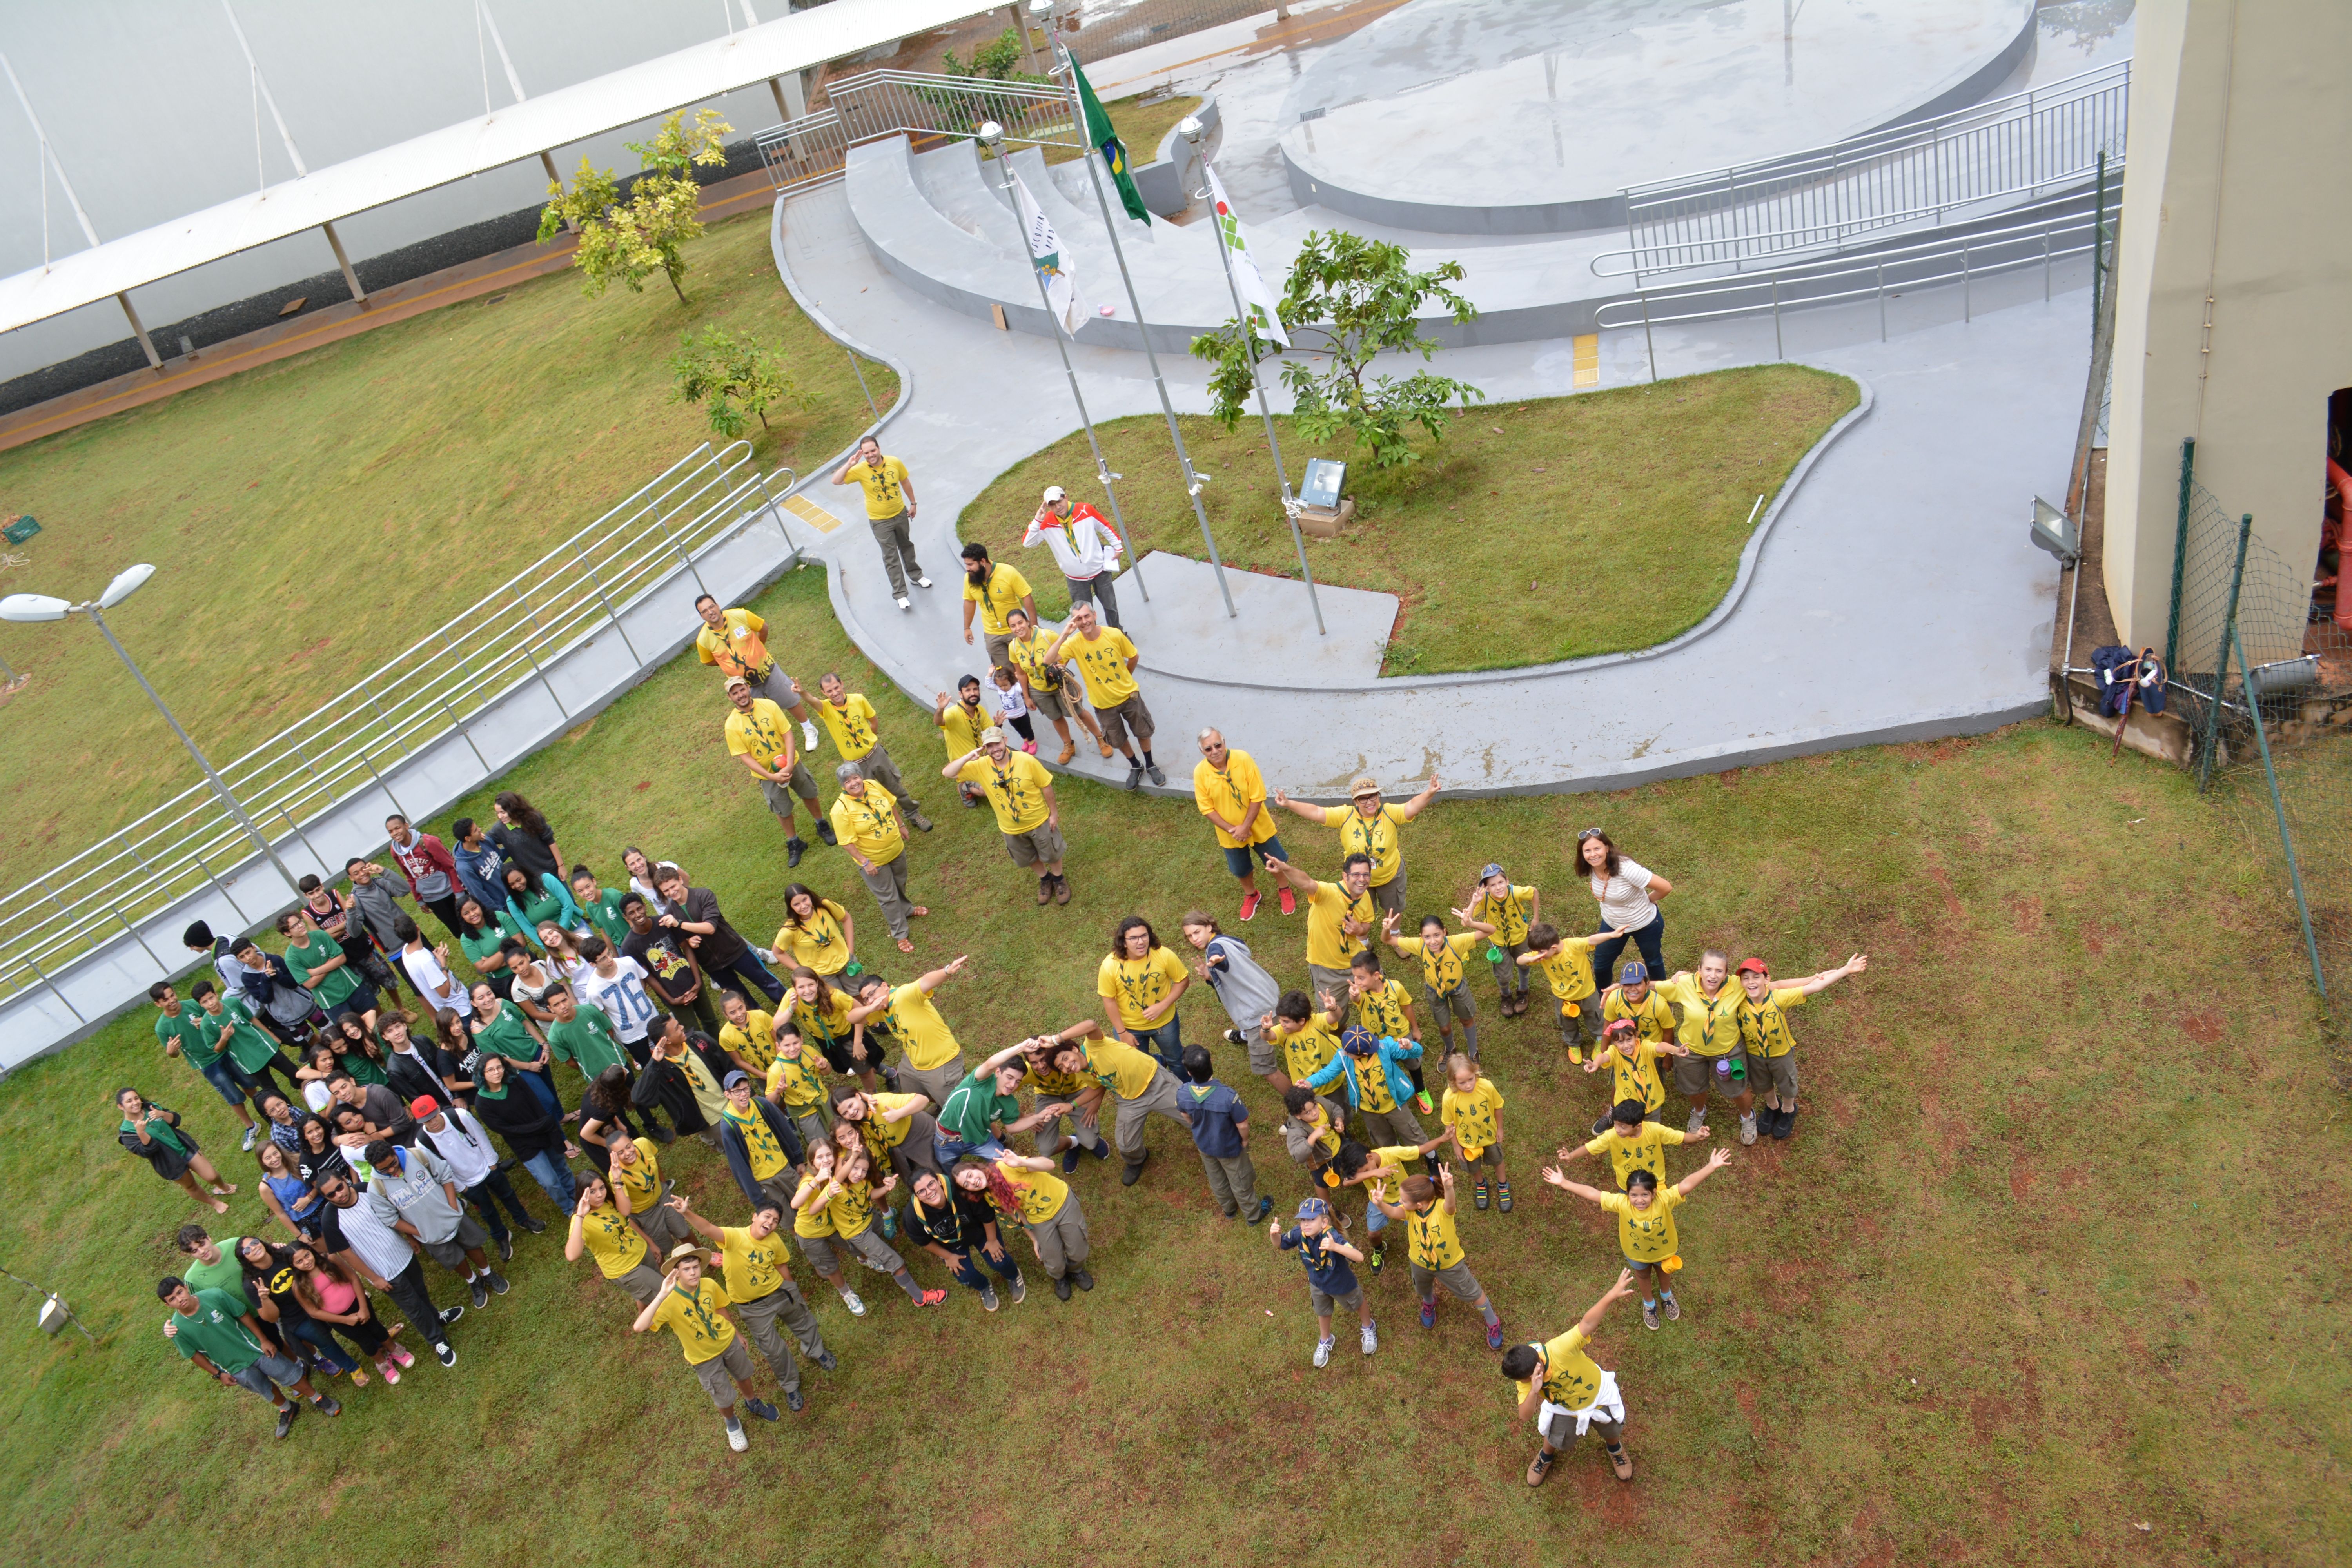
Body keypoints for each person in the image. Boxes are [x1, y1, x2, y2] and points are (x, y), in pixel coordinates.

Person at [671, 1196, 838, 1410]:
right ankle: (791, 1385)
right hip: (753, 1308)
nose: (771, 1223)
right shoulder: (735, 1237)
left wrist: (792, 1290)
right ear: (755, 1217)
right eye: (767, 1217)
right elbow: (707, 1229)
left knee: (804, 1323)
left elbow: (781, 1266)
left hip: (780, 1293)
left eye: (776, 1221)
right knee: (774, 1350)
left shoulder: (775, 1241)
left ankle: (816, 1351)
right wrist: (686, 1212)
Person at [1544, 1148, 1733, 1331]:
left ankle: (1666, 1295)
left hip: (1664, 1251)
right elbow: (1594, 1194)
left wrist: (1711, 1166)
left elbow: (1686, 1185)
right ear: (1627, 1194)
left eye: (1645, 1195)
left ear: (1654, 1193)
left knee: (1664, 1270)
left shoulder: (1665, 1199)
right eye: (1634, 1195)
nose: (1639, 1200)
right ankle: (1649, 1303)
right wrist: (1564, 1183)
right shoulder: (1621, 1203)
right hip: (1636, 1253)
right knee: (1642, 1275)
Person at [633, 1242, 784, 1451]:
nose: (693, 1273)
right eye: (686, 1269)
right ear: (677, 1273)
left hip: (728, 1341)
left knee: (744, 1374)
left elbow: (720, 1309)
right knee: (722, 1396)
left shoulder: (709, 1285)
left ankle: (753, 1402)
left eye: (696, 1267)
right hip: (704, 1358)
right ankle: (732, 1423)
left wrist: (737, 1333)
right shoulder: (669, 1301)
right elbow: (640, 1327)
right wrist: (662, 1294)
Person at [1504, 1272, 1641, 1488]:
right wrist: (1533, 1391)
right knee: (1556, 1437)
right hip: (1565, 1408)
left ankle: (1615, 1449)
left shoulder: (1560, 1349)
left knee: (1611, 1429)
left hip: (1599, 1396)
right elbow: (1525, 1415)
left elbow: (1587, 1323)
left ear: (1538, 1362)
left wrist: (1612, 1295)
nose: (1524, 1384)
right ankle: (1545, 1457)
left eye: (1526, 1381)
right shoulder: (1525, 1379)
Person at [158, 1277, 340, 1437]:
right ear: (168, 1305)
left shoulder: (214, 1296)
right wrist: (218, 1374)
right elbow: (194, 1355)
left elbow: (242, 1314)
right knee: (263, 1388)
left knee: (288, 1374)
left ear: (186, 1288)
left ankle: (317, 1398)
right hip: (233, 1367)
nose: (180, 1299)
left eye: (180, 1292)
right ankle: (287, 1408)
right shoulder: (177, 1329)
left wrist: (263, 1340)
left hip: (255, 1349)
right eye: (172, 1299)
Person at [316, 1171, 463, 1368]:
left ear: (345, 1180)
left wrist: (410, 1236)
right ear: (326, 1198)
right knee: (413, 1308)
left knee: (421, 1292)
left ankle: (436, 1317)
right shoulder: (330, 1220)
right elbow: (347, 1255)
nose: (339, 1195)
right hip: (384, 1272)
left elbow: (394, 1214)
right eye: (331, 1195)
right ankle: (438, 1341)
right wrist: (374, 1278)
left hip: (404, 1254)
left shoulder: (366, 1189)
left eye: (339, 1187)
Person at [363, 1139, 509, 1310]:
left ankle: (488, 1273)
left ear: (394, 1152)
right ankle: (473, 1280)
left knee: (472, 1244)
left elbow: (445, 1174)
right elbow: (390, 1219)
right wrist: (419, 1233)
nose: (391, 1171)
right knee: (453, 1259)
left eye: (393, 1164)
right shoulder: (376, 1188)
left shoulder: (417, 1155)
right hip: (429, 1234)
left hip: (452, 1216)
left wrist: (453, 1206)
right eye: (384, 1170)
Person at [1737, 952, 1867, 1140]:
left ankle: (1788, 1110)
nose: (1751, 982)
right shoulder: (1739, 1001)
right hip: (1755, 1055)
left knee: (1787, 1085)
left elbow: (1816, 986)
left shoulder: (1778, 998)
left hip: (1781, 1055)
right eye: (1746, 978)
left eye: (1756, 977)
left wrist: (1846, 970)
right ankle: (1773, 1107)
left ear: (1767, 980)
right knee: (1762, 1084)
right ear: (1740, 982)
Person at [1272, 774, 1439, 918]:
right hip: (1356, 879)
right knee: (1359, 913)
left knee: (1393, 910)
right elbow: (1316, 812)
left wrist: (1429, 792)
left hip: (1391, 876)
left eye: (1373, 796)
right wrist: (1289, 803)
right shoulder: (1345, 815)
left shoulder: (1390, 813)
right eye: (1363, 799)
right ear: (1355, 802)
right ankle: (1363, 940)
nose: (1370, 802)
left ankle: (1394, 935)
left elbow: (1412, 806)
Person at [1374, 1167, 1505, 1349]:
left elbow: (1451, 1205)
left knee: (1473, 1293)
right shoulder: (1410, 1212)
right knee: (1422, 1287)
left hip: (1450, 1266)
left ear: (1419, 1204)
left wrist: (1449, 1188)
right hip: (1419, 1263)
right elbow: (1393, 1213)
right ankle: (1429, 1302)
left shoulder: (1442, 1209)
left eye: (1403, 1200)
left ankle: (1493, 1322)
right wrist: (1380, 1204)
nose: (1400, 1202)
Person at [1051, 1018, 1191, 1187]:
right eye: (1061, 1067)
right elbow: (1096, 1087)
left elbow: (1091, 1025)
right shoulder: (1080, 1072)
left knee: (1196, 1117)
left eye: (1066, 1058)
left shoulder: (1094, 1046)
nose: (1067, 1066)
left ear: (1075, 1049)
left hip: (1155, 1082)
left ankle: (1213, 1150)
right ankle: (1138, 1160)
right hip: (1129, 1099)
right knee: (1126, 1145)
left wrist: (1056, 1039)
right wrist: (1072, 1105)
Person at [807, 1142, 945, 1308]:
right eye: (855, 1168)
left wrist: (886, 1189)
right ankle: (920, 1298)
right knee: (896, 1263)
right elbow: (813, 1210)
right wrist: (829, 1194)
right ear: (845, 1165)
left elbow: (871, 1194)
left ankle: (864, 1256)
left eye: (864, 1170)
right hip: (859, 1234)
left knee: (881, 1232)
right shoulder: (835, 1186)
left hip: (870, 1220)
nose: (859, 1174)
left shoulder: (861, 1181)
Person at [944, 726, 1068, 904]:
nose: (995, 749)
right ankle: (1045, 879)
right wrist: (968, 757)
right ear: (985, 748)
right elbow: (948, 773)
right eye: (989, 746)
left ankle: (1059, 879)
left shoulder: (1026, 760)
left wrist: (1054, 814)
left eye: (998, 743)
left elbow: (1046, 786)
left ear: (1006, 740)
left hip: (1038, 821)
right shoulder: (980, 766)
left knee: (1052, 854)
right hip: (1010, 828)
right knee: (1027, 857)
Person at [723, 674, 835, 869]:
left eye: (742, 689)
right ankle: (794, 842)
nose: (740, 695)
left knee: (809, 793)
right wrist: (771, 776)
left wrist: (790, 763)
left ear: (748, 689)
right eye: (735, 693)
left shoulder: (769, 706)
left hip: (792, 763)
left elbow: (787, 734)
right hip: (768, 775)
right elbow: (745, 757)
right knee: (782, 809)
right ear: (730, 697)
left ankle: (821, 825)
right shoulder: (731, 725)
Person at [1045, 602, 1160, 788]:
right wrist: (1065, 634)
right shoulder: (1074, 643)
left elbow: (1134, 656)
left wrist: (1126, 677)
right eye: (1078, 619)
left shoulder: (1114, 635)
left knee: (1143, 732)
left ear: (1095, 615)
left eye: (1087, 616)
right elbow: (1048, 660)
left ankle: (1150, 764)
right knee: (1118, 740)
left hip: (1129, 697)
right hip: (1103, 704)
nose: (1084, 622)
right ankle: (1136, 766)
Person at [413, 1095, 543, 1258]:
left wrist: (493, 1164)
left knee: (508, 1194)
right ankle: (501, 1235)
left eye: (433, 1116)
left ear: (439, 1109)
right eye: (426, 1121)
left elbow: (481, 1137)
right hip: (467, 1182)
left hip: (488, 1168)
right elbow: (440, 1169)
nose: (432, 1123)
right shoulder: (422, 1143)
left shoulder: (460, 1116)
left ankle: (523, 1219)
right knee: (487, 1212)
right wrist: (463, 1188)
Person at [1653, 949, 1758, 1143]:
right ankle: (1699, 1111)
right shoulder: (1685, 984)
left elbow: (1772, 986)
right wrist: (1620, 987)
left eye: (1719, 971)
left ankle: (1747, 1117)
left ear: (1726, 974)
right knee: (1694, 1088)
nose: (1713, 976)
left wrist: (1812, 980)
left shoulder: (1738, 985)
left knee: (1738, 1090)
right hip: (1690, 1050)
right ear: (1699, 970)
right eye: (1708, 969)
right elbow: (1652, 986)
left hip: (1728, 1051)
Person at [691, 593, 820, 750]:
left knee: (789, 700)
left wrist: (759, 649)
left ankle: (808, 728)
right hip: (744, 685)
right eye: (705, 611)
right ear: (702, 616)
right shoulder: (703, 640)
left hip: (767, 669)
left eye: (711, 607)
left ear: (717, 606)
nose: (710, 612)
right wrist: (728, 664)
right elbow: (708, 661)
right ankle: (776, 744)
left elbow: (763, 628)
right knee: (758, 714)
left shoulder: (740, 615)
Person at [845, 955, 972, 1110]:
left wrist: (947, 971)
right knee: (911, 1094)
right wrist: (870, 1008)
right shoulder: (880, 1009)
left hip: (942, 1063)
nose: (871, 1000)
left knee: (959, 1108)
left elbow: (925, 982)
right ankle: (940, 1104)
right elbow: (852, 1018)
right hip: (913, 1064)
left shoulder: (903, 995)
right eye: (866, 999)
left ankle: (951, 1110)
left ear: (885, 986)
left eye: (872, 994)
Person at [961, 1151, 1092, 1300]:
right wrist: (1034, 1239)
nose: (972, 1182)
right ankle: (1060, 1278)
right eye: (967, 1184)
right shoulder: (990, 1196)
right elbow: (1016, 1213)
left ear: (977, 1167)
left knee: (1078, 1250)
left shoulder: (1007, 1166)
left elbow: (1050, 1164)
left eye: (970, 1175)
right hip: (1038, 1219)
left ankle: (1076, 1271)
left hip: (1062, 1203)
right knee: (1052, 1260)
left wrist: (1022, 1162)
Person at [813, 671, 935, 830]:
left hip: (875, 754)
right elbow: (812, 701)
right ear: (823, 693)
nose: (835, 693)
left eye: (836, 687)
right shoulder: (826, 709)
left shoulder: (858, 699)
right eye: (829, 691)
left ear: (842, 684)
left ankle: (913, 814)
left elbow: (873, 720)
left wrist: (871, 739)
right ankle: (886, 824)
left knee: (894, 786)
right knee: (868, 796)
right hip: (855, 765)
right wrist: (801, 692)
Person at [653, 865, 785, 1007]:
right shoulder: (670, 913)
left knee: (765, 980)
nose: (671, 892)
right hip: (711, 964)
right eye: (666, 891)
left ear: (680, 880)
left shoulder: (703, 895)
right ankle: (754, 1018)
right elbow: (680, 940)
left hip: (734, 950)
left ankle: (790, 1004)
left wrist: (679, 924)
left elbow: (710, 928)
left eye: (673, 887)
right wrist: (688, 940)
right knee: (738, 997)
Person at [830, 762, 926, 955]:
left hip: (896, 849)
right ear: (843, 786)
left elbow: (891, 804)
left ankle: (907, 909)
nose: (854, 783)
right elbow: (846, 842)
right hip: (874, 861)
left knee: (900, 882)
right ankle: (900, 934)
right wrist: (865, 862)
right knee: (888, 897)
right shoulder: (840, 810)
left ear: (861, 776)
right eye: (847, 782)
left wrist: (901, 826)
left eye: (856, 777)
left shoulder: (873, 785)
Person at [1179, 910, 1283, 1088]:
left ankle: (1299, 1102)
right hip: (1269, 998)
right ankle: (1247, 1035)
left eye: (1197, 932)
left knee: (1267, 1070)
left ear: (1209, 927)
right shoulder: (1226, 940)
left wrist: (1217, 962)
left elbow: (1223, 962)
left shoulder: (1215, 949)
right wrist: (1210, 976)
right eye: (1189, 936)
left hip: (1258, 1015)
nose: (1194, 939)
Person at [152, 981, 261, 1150]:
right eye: (166, 1000)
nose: (172, 1000)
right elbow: (174, 1054)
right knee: (232, 1096)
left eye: (172, 995)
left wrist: (205, 1021)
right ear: (158, 1004)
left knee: (249, 1083)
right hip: (207, 1064)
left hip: (226, 1050)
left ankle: (266, 1109)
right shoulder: (162, 1028)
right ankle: (251, 1126)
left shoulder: (193, 1005)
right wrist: (171, 1052)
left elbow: (216, 1017)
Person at [1192, 729, 1288, 918]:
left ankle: (1284, 889)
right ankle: (1252, 895)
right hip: (1230, 834)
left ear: (1224, 743)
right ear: (1202, 751)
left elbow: (1258, 795)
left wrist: (1245, 827)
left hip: (1258, 825)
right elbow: (1206, 808)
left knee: (1275, 860)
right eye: (1209, 749)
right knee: (1240, 869)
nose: (1215, 751)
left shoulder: (1243, 759)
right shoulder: (1200, 773)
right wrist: (1233, 830)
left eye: (1218, 745)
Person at [1272, 1197, 1375, 1367]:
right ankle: (1326, 1339)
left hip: (1342, 1283)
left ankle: (1368, 1327)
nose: (1306, 1224)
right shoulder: (1300, 1233)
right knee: (1323, 1311)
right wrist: (1274, 1235)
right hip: (1317, 1283)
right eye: (1303, 1220)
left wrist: (1336, 1247)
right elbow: (1280, 1244)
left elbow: (1360, 1257)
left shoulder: (1332, 1236)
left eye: (1311, 1219)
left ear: (1324, 1222)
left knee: (1358, 1303)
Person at [1263, 851, 1377, 1003]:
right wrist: (1285, 868)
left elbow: (1367, 923)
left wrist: (1359, 931)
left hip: (1358, 960)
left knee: (1378, 998)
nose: (1362, 880)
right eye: (1356, 875)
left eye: (1366, 875)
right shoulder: (1328, 893)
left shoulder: (1365, 896)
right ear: (1345, 876)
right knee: (1334, 1013)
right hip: (1327, 970)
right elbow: (1307, 883)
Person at [933, 1041, 1070, 1167]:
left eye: (1018, 1081)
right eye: (1010, 1078)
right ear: (998, 1072)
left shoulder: (1009, 1103)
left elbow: (1012, 1127)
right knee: (949, 1171)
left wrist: (1038, 1117)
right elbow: (989, 1064)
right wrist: (1021, 1047)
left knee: (1005, 1166)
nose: (1012, 1085)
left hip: (981, 1138)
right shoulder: (980, 1082)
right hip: (946, 1139)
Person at [471, 1054, 580, 1212]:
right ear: (482, 1073)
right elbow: (505, 1130)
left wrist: (548, 1128)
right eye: (491, 1070)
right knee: (550, 1182)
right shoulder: (482, 1103)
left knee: (562, 1168)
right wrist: (538, 1127)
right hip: (524, 1145)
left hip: (544, 1132)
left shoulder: (514, 1080)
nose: (497, 1073)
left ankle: (578, 1197)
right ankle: (569, 1209)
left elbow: (536, 1104)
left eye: (499, 1067)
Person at [832, 434, 927, 608]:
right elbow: (836, 481)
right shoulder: (860, 469)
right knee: (891, 556)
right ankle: (900, 594)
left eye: (873, 451)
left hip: (900, 514)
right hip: (880, 521)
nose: (871, 455)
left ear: (879, 449)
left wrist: (913, 503)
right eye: (866, 453)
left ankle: (916, 576)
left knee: (906, 546)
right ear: (863, 454)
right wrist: (850, 464)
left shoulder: (894, 462)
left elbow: (905, 481)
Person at [1304, 1022, 1428, 1154]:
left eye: (1348, 1053)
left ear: (1363, 1054)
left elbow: (1417, 1052)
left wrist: (1410, 1046)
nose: (1344, 1053)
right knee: (1383, 1138)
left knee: (1411, 1132)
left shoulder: (1386, 1047)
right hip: (1369, 1110)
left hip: (1395, 1105)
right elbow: (1328, 1073)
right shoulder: (1344, 1056)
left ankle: (1430, 1156)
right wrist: (1310, 1083)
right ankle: (1395, 1154)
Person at [910, 1169, 1025, 1310]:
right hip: (951, 1243)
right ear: (917, 1197)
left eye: (931, 1184)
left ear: (939, 1181)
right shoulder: (913, 1216)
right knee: (965, 1275)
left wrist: (992, 1241)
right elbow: (923, 1241)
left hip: (977, 1229)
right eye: (921, 1192)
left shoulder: (960, 1190)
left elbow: (986, 1215)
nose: (929, 1192)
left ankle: (1013, 1275)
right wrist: (948, 1257)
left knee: (999, 1261)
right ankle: (983, 1286)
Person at [1178, 1045, 1270, 1222]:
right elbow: (1242, 1125)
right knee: (1241, 1181)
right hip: (1229, 1148)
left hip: (1204, 1146)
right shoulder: (1228, 1097)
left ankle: (1229, 1209)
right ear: (1211, 1064)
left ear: (1189, 1073)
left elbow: (1185, 1116)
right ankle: (1253, 1215)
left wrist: (1197, 1129)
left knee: (1217, 1179)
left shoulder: (1182, 1094)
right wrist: (1245, 1141)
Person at [1002, 607, 1103, 764]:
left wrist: (1060, 667)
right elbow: (1021, 674)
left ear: (1028, 622)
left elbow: (1066, 651)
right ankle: (1068, 745)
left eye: (1020, 623)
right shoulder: (1013, 647)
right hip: (1039, 689)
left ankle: (1100, 738)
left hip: (1060, 685)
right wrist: (1027, 697)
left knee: (1079, 712)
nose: (1018, 628)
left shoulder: (1046, 635)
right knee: (1055, 717)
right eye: (1013, 626)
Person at [1511, 920, 1618, 1064]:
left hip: (1587, 993)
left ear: (1553, 948)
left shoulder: (1574, 945)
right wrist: (1532, 958)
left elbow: (1592, 940)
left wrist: (1612, 935)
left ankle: (1600, 1038)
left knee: (1595, 1017)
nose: (1539, 954)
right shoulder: (1542, 954)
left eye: (1541, 952)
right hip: (1563, 998)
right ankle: (1573, 1044)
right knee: (1567, 1023)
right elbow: (1520, 960)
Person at [633, 1017, 745, 1152]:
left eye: (679, 1024)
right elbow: (639, 1098)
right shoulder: (661, 1070)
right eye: (676, 1028)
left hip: (735, 1101)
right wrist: (653, 1064)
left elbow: (728, 1066)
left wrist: (746, 1092)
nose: (682, 1027)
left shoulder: (699, 1040)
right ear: (667, 1040)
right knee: (738, 1153)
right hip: (713, 1122)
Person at [1023, 482, 1125, 628]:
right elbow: (1028, 543)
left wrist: (1118, 547)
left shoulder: (1086, 510)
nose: (1058, 507)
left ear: (1066, 498)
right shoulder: (1045, 522)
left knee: (1111, 606)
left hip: (1100, 571)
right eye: (1053, 505)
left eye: (1059, 501)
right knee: (1082, 615)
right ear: (1048, 507)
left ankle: (1117, 633)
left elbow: (1105, 526)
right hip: (1075, 578)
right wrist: (1038, 520)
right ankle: (1092, 638)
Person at [1343, 946, 1432, 1112]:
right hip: (1377, 1043)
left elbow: (1407, 1007)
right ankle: (1395, 1092)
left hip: (1401, 1037)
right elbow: (1355, 997)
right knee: (1386, 1067)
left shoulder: (1396, 987)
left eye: (1361, 978)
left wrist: (1415, 1029)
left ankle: (1420, 1089)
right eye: (1355, 977)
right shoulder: (1361, 993)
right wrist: (1354, 994)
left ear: (1376, 975)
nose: (1357, 982)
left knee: (1413, 1063)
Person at [1579, 829, 1672, 987]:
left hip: (1645, 924)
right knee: (1601, 965)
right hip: (1612, 925)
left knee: (1653, 962)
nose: (1593, 855)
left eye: (1597, 849)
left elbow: (1666, 887)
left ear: (1607, 848)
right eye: (1587, 851)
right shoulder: (1592, 868)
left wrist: (1649, 899)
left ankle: (1662, 994)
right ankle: (1603, 994)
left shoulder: (1627, 869)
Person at [1561, 1096, 1711, 1194]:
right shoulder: (1612, 1136)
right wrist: (1571, 1156)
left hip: (1655, 1182)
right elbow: (1589, 1148)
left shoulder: (1655, 1130)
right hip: (1627, 1185)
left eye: (1623, 1127)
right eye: (1616, 1124)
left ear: (1638, 1126)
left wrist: (1696, 1136)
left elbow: (1681, 1137)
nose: (1617, 1130)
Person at [617, 897, 719, 1040]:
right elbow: (647, 976)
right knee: (691, 1032)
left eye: (639, 909)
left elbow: (686, 948)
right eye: (632, 913)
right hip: (674, 994)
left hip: (692, 981)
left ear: (645, 906)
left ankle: (719, 1049)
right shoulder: (629, 946)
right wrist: (672, 1000)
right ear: (625, 916)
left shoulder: (664, 923)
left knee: (710, 1020)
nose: (638, 914)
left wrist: (698, 981)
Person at [118, 1089, 234, 1213]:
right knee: (191, 1186)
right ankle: (215, 1203)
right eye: (129, 1101)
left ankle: (223, 1187)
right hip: (169, 1163)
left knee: (212, 1176)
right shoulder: (127, 1133)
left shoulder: (150, 1107)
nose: (135, 1103)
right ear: (121, 1107)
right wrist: (141, 1133)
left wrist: (162, 1114)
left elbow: (175, 1121)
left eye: (136, 1098)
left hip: (183, 1147)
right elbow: (146, 1152)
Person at [786, 1142, 867, 1318]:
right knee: (829, 1266)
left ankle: (864, 1259)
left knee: (856, 1244)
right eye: (820, 1157)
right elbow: (795, 1204)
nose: (825, 1160)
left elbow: (843, 1175)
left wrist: (854, 1155)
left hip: (831, 1226)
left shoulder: (833, 1173)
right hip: (809, 1234)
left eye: (829, 1155)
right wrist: (816, 1180)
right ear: (812, 1161)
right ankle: (847, 1294)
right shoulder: (809, 1180)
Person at [1098, 915, 1188, 1072]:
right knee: (1139, 1066)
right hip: (1129, 1028)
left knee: (1176, 1060)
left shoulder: (1163, 955)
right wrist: (1122, 1032)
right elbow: (1109, 1000)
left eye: (1144, 936)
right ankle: (1157, 1065)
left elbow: (1183, 981)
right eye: (1133, 938)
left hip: (1164, 1023)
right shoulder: (1110, 965)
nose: (1141, 942)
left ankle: (1185, 1085)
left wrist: (1162, 1006)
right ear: (1124, 942)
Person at [713, 1070, 809, 1217]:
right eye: (737, 1091)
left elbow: (785, 1131)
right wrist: (756, 1197)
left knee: (807, 1204)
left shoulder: (762, 1105)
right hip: (764, 1180)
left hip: (784, 1167)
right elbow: (738, 1165)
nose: (743, 1094)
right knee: (785, 1218)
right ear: (728, 1095)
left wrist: (798, 1160)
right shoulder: (728, 1126)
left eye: (746, 1089)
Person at [299, 870, 404, 1002]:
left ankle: (401, 1008)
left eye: (318, 890)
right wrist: (345, 926)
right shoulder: (308, 914)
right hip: (345, 956)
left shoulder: (335, 895)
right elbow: (321, 939)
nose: (316, 895)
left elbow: (352, 917)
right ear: (306, 896)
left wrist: (332, 931)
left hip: (363, 945)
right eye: (311, 893)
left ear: (322, 886)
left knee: (387, 979)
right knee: (368, 991)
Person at [1390, 911, 1482, 1061]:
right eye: (1427, 937)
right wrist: (1386, 929)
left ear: (1444, 932)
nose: (1433, 941)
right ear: (1421, 937)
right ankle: (1450, 1049)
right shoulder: (1420, 945)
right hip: (1435, 992)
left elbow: (1490, 931)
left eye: (1437, 935)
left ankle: (1473, 1052)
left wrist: (1471, 924)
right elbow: (1387, 939)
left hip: (1458, 990)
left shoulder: (1456, 943)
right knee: (1444, 1027)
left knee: (1467, 1019)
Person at [566, 1174, 665, 1307]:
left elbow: (626, 1221)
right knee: (667, 1294)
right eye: (593, 1192)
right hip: (627, 1270)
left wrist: (649, 1242)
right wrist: (580, 1216)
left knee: (654, 1292)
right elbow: (572, 1255)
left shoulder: (608, 1201)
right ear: (582, 1194)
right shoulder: (580, 1221)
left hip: (642, 1252)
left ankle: (645, 1316)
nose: (600, 1195)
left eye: (602, 1188)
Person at [1580, 1018, 1688, 1137]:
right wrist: (1596, 1063)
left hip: (1651, 1102)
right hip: (1627, 1106)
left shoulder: (1645, 1047)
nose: (1626, 1046)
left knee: (1651, 1131)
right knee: (1628, 1129)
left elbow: (1660, 1047)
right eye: (1620, 1042)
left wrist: (1675, 1050)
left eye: (1629, 1039)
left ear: (1636, 1036)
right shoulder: (1615, 1052)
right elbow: (1604, 1057)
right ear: (1614, 1043)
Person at [1438, 1051, 1513, 1213]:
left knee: (1498, 1160)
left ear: (1475, 1072)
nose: (1468, 1086)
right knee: (1474, 1167)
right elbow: (1449, 1125)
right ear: (1453, 1081)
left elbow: (1498, 1106)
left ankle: (1503, 1185)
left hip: (1489, 1136)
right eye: (1462, 1083)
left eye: (1471, 1079)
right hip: (1467, 1143)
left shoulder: (1487, 1086)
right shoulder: (1449, 1098)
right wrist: (1456, 1146)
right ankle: (1481, 1185)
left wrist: (1500, 1128)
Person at [281, 907, 379, 1031]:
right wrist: (330, 964)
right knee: (352, 1032)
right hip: (330, 1000)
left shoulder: (320, 935)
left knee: (376, 1018)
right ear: (287, 933)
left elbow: (341, 959)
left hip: (351, 985)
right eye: (295, 926)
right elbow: (310, 984)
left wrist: (315, 972)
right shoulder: (291, 958)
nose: (301, 925)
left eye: (300, 921)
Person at [1467, 863, 1540, 1017]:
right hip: (1498, 942)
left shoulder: (1515, 892)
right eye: (1492, 885)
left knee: (1524, 964)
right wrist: (1475, 902)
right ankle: (1506, 996)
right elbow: (1467, 919)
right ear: (1486, 888)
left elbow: (1534, 892)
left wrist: (1536, 918)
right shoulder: (1484, 899)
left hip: (1520, 938)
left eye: (1501, 882)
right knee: (1503, 974)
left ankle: (1523, 991)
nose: (1498, 888)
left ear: (1507, 881)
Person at [958, 540, 1037, 674]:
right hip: (992, 635)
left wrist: (1034, 626)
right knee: (1006, 675)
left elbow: (1026, 596)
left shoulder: (1008, 572)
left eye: (970, 565)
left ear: (983, 562)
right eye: (966, 565)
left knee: (1029, 668)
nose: (967, 569)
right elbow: (969, 602)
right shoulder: (969, 578)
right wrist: (967, 628)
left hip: (1016, 631)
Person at [384, 814, 466, 941]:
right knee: (457, 931)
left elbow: (450, 866)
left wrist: (459, 893)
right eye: (391, 832)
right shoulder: (395, 851)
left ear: (406, 826)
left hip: (450, 891)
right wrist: (419, 900)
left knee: (469, 920)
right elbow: (409, 875)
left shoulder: (428, 842)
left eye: (397, 828)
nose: (395, 833)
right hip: (432, 899)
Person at [1263, 990, 1346, 1108]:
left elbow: (1335, 1017)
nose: (1282, 1024)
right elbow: (1268, 1037)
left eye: (1286, 1021)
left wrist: (1334, 1009)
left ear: (1302, 1021)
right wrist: (1265, 1030)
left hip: (1331, 1082)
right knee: (1311, 1112)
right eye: (1281, 1020)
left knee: (1341, 1110)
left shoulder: (1317, 1023)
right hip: (1304, 1087)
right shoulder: (1284, 1031)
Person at [768, 885, 855, 987]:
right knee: (839, 998)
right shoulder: (790, 929)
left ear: (810, 896)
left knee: (861, 993)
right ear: (791, 907)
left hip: (847, 962)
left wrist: (851, 952)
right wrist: (801, 971)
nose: (803, 906)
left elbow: (846, 918)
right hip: (822, 975)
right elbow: (777, 952)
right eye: (797, 904)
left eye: (805, 900)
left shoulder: (825, 905)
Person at [766, 1024, 834, 1154]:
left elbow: (827, 1072)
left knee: (839, 1132)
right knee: (822, 1146)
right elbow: (770, 1101)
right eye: (787, 1045)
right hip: (806, 1114)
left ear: (802, 1039)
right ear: (778, 1046)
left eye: (795, 1043)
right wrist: (778, 1092)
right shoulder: (776, 1070)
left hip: (825, 1100)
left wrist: (824, 1067)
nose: (792, 1049)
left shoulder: (809, 1052)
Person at [394, 915, 470, 1024]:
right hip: (461, 1009)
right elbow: (445, 993)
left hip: (450, 1010)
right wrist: (443, 963)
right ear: (417, 927)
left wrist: (437, 959)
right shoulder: (425, 961)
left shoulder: (406, 951)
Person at [934, 677, 992, 801]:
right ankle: (964, 787)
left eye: (975, 689)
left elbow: (991, 732)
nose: (973, 693)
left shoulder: (979, 710)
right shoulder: (953, 713)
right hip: (964, 765)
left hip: (982, 758)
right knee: (988, 789)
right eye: (968, 690)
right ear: (961, 694)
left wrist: (999, 726)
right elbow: (938, 722)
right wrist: (940, 710)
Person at [448, 818, 512, 921]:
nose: (480, 829)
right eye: (475, 830)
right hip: (505, 905)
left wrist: (512, 843)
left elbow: (500, 857)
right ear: (468, 838)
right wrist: (500, 912)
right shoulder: (464, 868)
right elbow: (479, 894)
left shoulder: (485, 841)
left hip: (515, 890)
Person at [570, 865, 633, 950]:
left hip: (634, 940)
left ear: (594, 882)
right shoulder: (589, 908)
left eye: (588, 887)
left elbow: (632, 920)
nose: (587, 893)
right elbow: (604, 932)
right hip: (620, 946)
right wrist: (615, 954)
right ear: (576, 892)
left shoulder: (613, 896)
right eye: (580, 891)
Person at [983, 663, 1036, 753]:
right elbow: (988, 684)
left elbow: (1024, 687)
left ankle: (1032, 742)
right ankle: (1025, 739)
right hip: (1010, 717)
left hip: (1022, 715)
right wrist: (990, 674)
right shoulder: (999, 689)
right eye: (1000, 686)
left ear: (1011, 681)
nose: (1003, 688)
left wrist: (1019, 679)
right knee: (1018, 729)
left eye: (1005, 685)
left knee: (1027, 729)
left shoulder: (1016, 687)